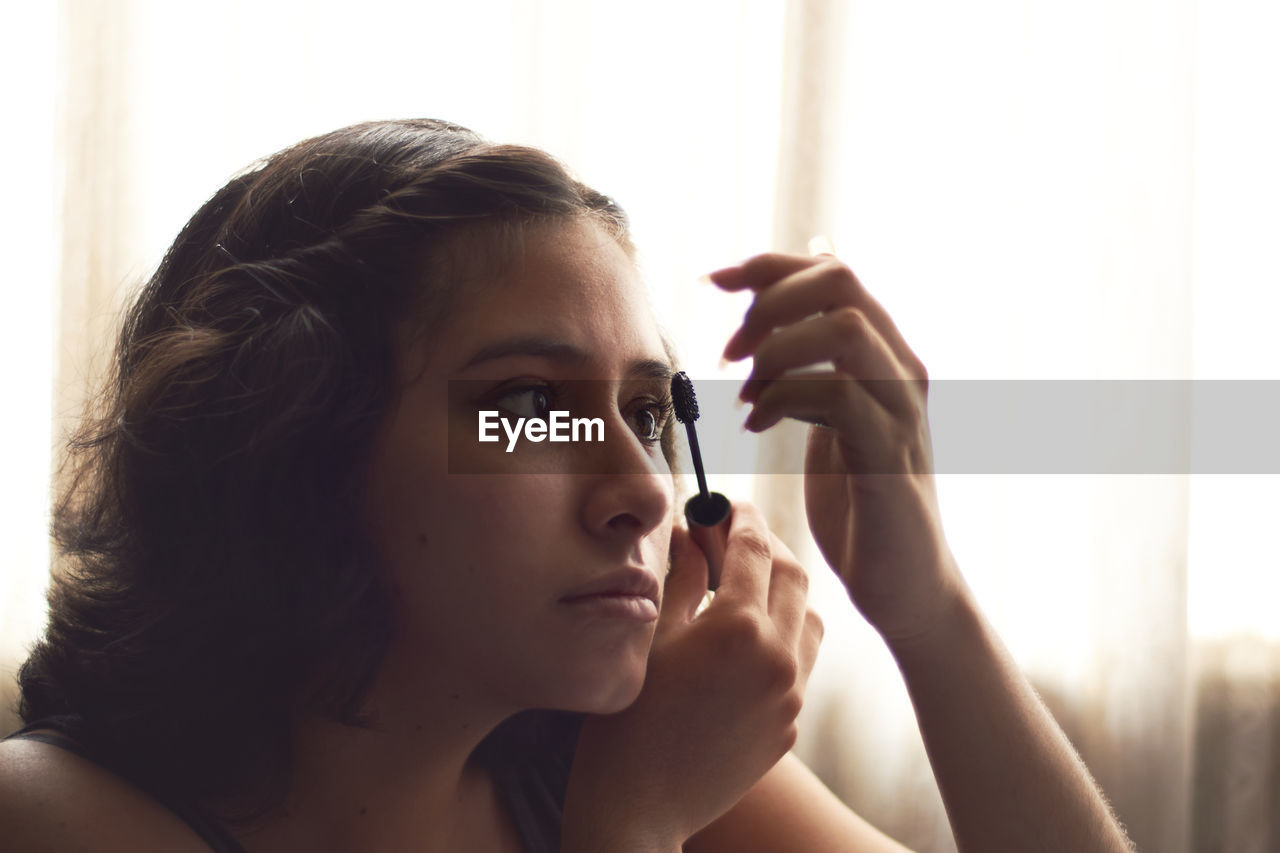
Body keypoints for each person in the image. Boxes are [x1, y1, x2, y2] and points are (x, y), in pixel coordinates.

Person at [0, 118, 1134, 852]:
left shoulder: (588, 753)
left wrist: (923, 600)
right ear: (299, 439)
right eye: (530, 408)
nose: (639, 492)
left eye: (647, 413)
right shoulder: (58, 814)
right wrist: (629, 832)